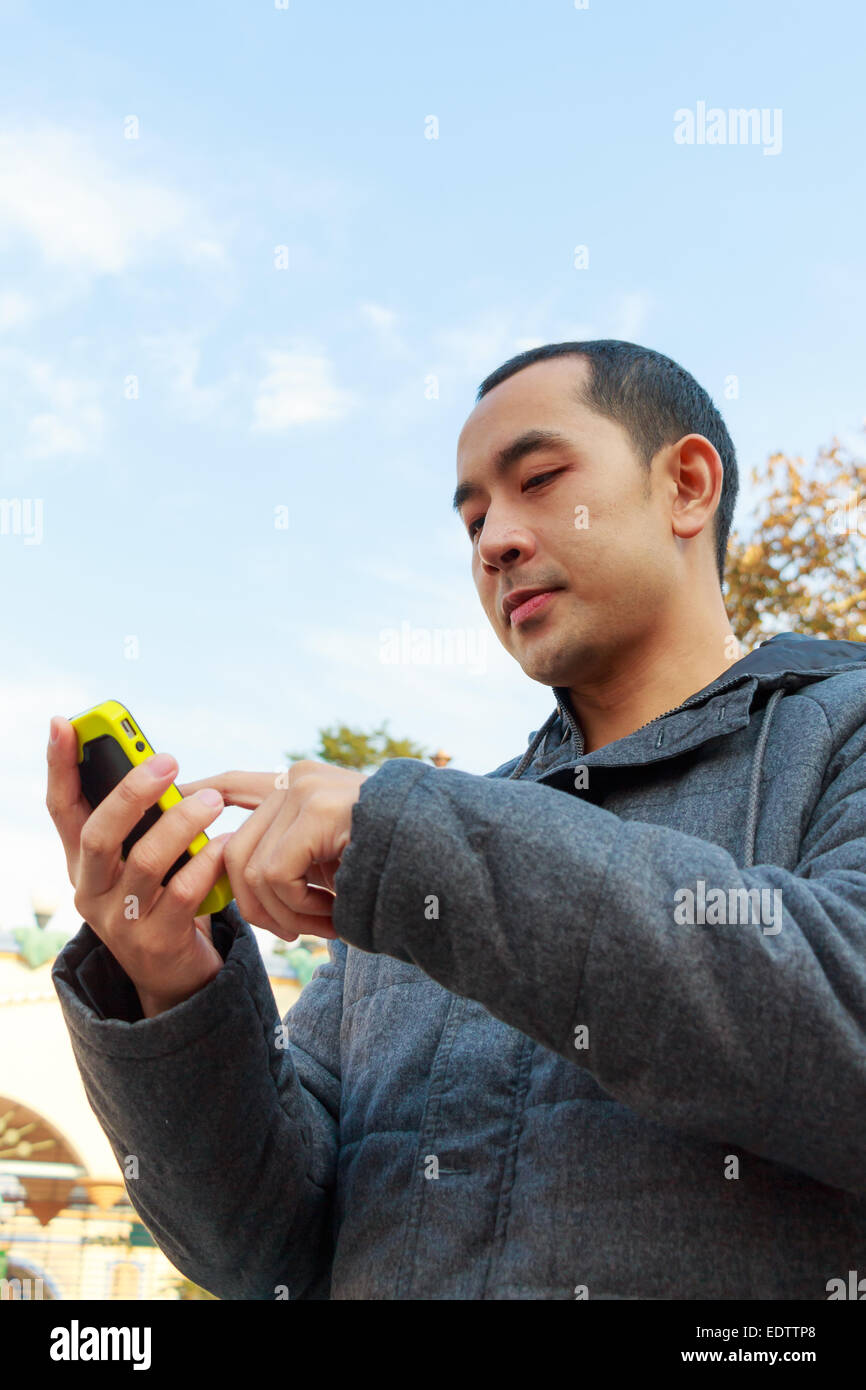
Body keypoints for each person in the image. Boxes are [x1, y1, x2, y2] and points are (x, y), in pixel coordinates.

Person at [48, 340, 866, 1300]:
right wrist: (173, 986)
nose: (493, 542)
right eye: (473, 516)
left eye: (540, 479)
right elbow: (261, 1253)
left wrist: (411, 844)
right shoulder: (409, 850)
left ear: (686, 485)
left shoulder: (841, 725)